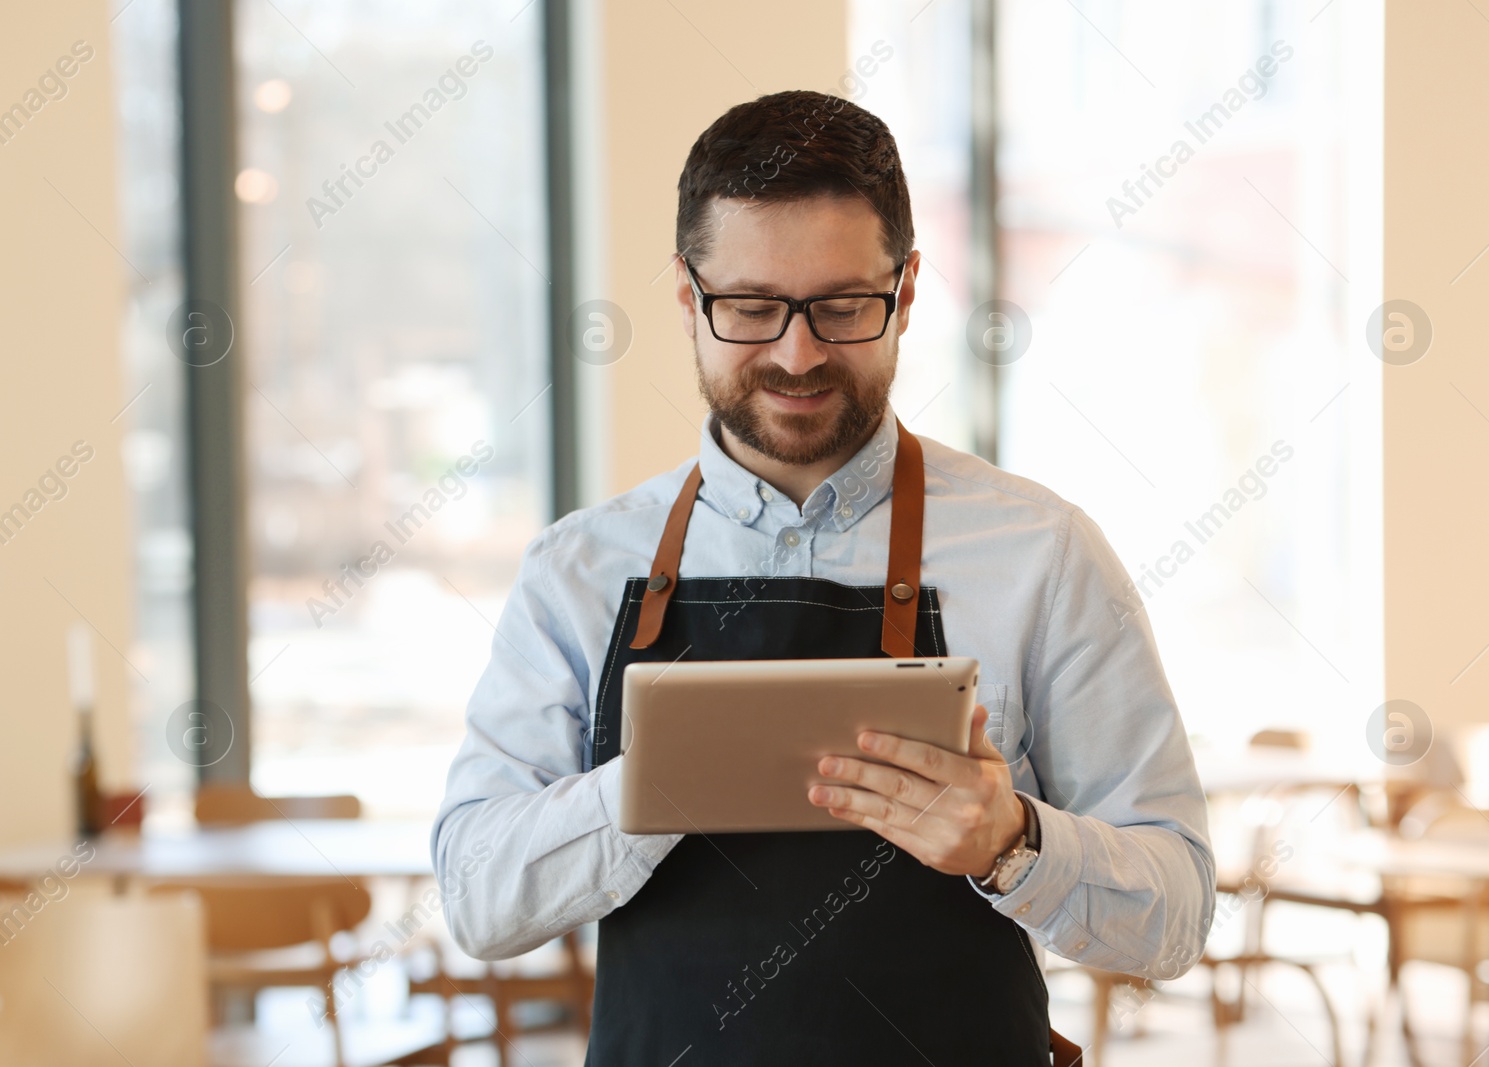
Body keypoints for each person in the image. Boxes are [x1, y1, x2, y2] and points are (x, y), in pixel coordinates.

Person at [433, 89, 1214, 1066]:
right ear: (686, 295)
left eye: (842, 308)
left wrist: (1010, 840)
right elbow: (477, 896)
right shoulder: (579, 569)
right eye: (751, 307)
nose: (797, 354)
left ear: (909, 287)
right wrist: (652, 787)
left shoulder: (1042, 553)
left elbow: (1174, 913)